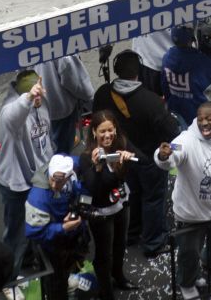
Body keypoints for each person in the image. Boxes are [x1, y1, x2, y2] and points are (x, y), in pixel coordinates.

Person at [154, 102, 211, 300]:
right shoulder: (186, 139)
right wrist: (163, 156)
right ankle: (187, 282)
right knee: (188, 253)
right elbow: (172, 156)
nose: (203, 123)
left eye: (209, 119)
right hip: (191, 213)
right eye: (200, 118)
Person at [91, 50, 178, 257]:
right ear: (138, 71)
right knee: (153, 199)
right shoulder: (150, 101)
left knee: (132, 195)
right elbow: (172, 130)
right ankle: (153, 242)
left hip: (120, 157)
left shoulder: (103, 93)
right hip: (148, 159)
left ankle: (131, 234)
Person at [0, 71, 53, 279]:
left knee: (37, 223)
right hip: (16, 184)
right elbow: (14, 114)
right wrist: (28, 98)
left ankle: (28, 260)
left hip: (38, 178)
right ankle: (8, 279)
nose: (39, 100)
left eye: (40, 94)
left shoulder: (42, 105)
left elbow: (45, 140)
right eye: (34, 96)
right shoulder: (9, 112)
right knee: (16, 235)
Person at [77, 111, 140, 299]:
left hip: (121, 203)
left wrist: (127, 160)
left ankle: (119, 277)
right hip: (101, 211)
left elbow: (142, 160)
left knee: (120, 245)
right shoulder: (87, 157)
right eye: (102, 131)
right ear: (94, 132)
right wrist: (98, 168)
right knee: (104, 253)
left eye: (110, 130)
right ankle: (107, 292)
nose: (107, 135)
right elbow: (97, 189)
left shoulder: (120, 144)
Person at [25, 154, 87, 300]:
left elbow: (83, 162)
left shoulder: (73, 168)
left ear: (69, 175)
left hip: (71, 240)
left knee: (69, 269)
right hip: (51, 247)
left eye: (59, 181)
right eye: (52, 179)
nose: (54, 185)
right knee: (55, 284)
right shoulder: (37, 198)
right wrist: (63, 228)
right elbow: (34, 233)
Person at [162, 21, 211, 125]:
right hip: (203, 120)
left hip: (178, 118)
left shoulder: (166, 58)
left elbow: (165, 89)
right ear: (191, 38)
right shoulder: (201, 62)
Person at [36, 54, 95, 154]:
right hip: (60, 107)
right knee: (61, 148)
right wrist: (89, 95)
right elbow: (72, 78)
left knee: (45, 144)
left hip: (39, 105)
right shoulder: (60, 47)